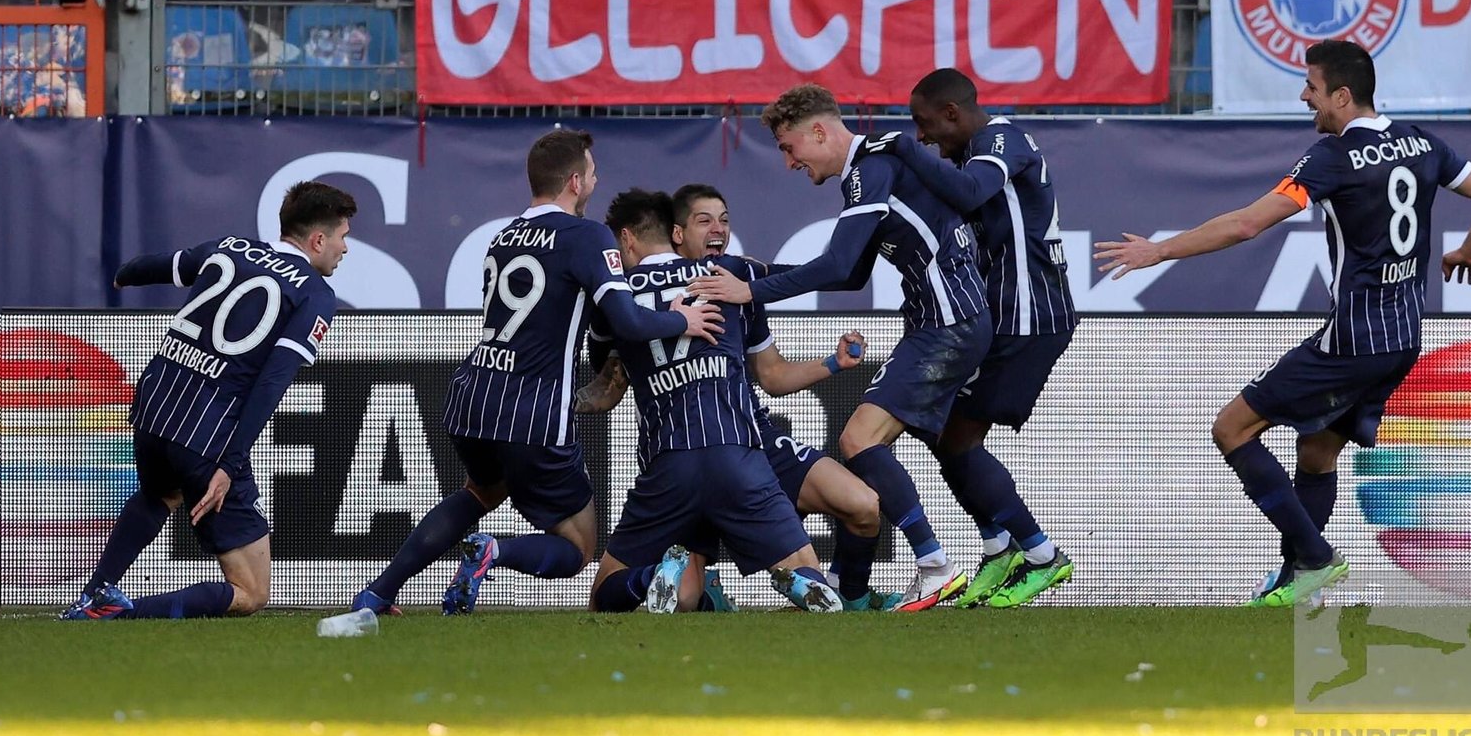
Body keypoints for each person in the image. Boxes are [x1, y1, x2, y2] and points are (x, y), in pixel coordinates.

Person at [1094, 39, 1471, 606]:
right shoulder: (1423, 143)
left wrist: (1160, 251)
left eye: (1311, 87)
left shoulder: (1331, 158)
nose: (1304, 97)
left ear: (1341, 95)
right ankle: (1299, 580)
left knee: (1232, 429)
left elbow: (1247, 224)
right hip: (1403, 339)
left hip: (1352, 341)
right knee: (1317, 453)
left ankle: (1315, 559)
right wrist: (1468, 252)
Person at [349, 129, 723, 615]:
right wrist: (680, 320)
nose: (595, 181)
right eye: (592, 173)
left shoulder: (502, 237)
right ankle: (496, 551)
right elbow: (629, 322)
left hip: (473, 395)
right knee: (577, 546)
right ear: (574, 182)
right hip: (533, 410)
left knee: (480, 491)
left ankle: (377, 592)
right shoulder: (587, 236)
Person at [689, 83, 992, 611]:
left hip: (949, 321)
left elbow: (835, 265)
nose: (790, 163)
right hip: (946, 321)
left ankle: (936, 565)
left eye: (789, 148)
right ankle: (993, 546)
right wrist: (760, 273)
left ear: (819, 131)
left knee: (857, 439)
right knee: (887, 445)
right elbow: (851, 275)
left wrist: (751, 289)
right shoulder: (866, 174)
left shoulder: (868, 170)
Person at [578, 183, 895, 611]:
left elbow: (606, 387)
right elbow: (821, 274)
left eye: (724, 220)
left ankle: (650, 578)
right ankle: (806, 584)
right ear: (674, 233)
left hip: (669, 459)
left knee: (610, 595)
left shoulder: (617, 298)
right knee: (806, 567)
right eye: (705, 220)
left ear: (627, 239)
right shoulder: (732, 275)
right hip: (738, 453)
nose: (718, 229)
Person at [62, 181, 357, 619]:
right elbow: (272, 383)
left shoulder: (230, 248)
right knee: (251, 591)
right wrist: (230, 464)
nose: (344, 248)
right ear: (317, 240)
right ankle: (117, 614)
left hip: (153, 408)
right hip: (206, 432)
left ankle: (95, 593)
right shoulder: (314, 294)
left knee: (160, 493)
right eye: (342, 237)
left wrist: (124, 274)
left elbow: (157, 266)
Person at [889, 67, 1078, 609]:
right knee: (938, 429)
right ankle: (999, 548)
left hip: (1029, 316)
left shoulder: (1000, 139)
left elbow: (972, 192)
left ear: (952, 113)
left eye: (925, 124)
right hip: (1000, 316)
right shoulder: (969, 156)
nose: (923, 136)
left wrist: (903, 150)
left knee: (956, 438)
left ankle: (1041, 555)